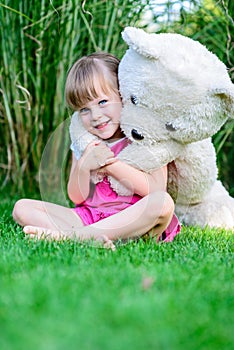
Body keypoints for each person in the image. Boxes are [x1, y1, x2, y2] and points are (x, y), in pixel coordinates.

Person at [12, 52, 181, 249]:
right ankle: (91, 236)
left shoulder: (143, 136)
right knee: (21, 208)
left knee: (162, 202)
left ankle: (72, 237)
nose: (95, 116)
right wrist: (84, 166)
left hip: (136, 222)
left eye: (102, 102)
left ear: (122, 95)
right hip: (91, 217)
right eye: (84, 109)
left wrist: (110, 165)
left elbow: (155, 189)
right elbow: (76, 197)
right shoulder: (85, 141)